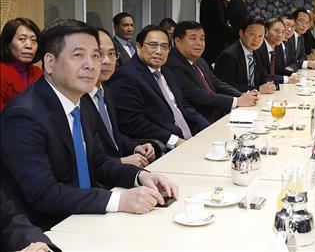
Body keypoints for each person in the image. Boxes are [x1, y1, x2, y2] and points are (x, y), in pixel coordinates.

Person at [0, 20, 178, 230]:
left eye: (95, 55)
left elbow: (99, 163)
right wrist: (119, 201)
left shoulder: (81, 102)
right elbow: (44, 194)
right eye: (78, 55)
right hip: (49, 229)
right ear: (49, 63)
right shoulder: (23, 115)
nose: (91, 64)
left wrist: (141, 177)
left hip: (88, 216)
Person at [109, 25, 209, 151]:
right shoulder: (126, 75)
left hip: (189, 139)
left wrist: (207, 128)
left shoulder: (167, 72)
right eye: (153, 45)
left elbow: (183, 106)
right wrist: (175, 141)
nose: (159, 51)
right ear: (138, 47)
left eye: (164, 46)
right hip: (164, 147)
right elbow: (132, 122)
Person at [80, 28, 156, 169]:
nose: (107, 61)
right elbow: (86, 158)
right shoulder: (78, 100)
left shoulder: (106, 92)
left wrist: (135, 147)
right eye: (99, 54)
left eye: (112, 54)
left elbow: (113, 136)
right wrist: (121, 162)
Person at [166, 21, 259, 122]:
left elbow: (216, 83)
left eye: (202, 39)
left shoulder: (200, 60)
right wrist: (236, 101)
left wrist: (241, 95)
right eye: (193, 38)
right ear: (177, 41)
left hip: (218, 114)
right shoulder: (172, 64)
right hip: (198, 121)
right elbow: (197, 95)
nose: (199, 43)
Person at [214, 17, 276, 94]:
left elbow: (264, 75)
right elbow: (227, 86)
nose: (256, 40)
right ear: (241, 33)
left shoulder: (256, 53)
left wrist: (269, 84)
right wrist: (258, 88)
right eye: (252, 35)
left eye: (260, 36)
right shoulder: (229, 55)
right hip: (235, 101)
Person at [0, 18, 42, 111]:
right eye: (22, 39)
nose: (29, 45)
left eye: (34, 40)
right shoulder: (1, 72)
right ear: (8, 44)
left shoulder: (38, 72)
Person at [200, 0, 234, 66]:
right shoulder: (215, 2)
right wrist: (232, 34)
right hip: (217, 41)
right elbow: (220, 24)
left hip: (208, 38)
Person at [255, 18, 300, 86]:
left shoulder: (277, 47)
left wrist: (291, 74)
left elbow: (278, 69)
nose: (280, 35)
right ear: (266, 31)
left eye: (283, 32)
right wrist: (286, 79)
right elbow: (262, 76)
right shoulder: (258, 48)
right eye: (276, 31)